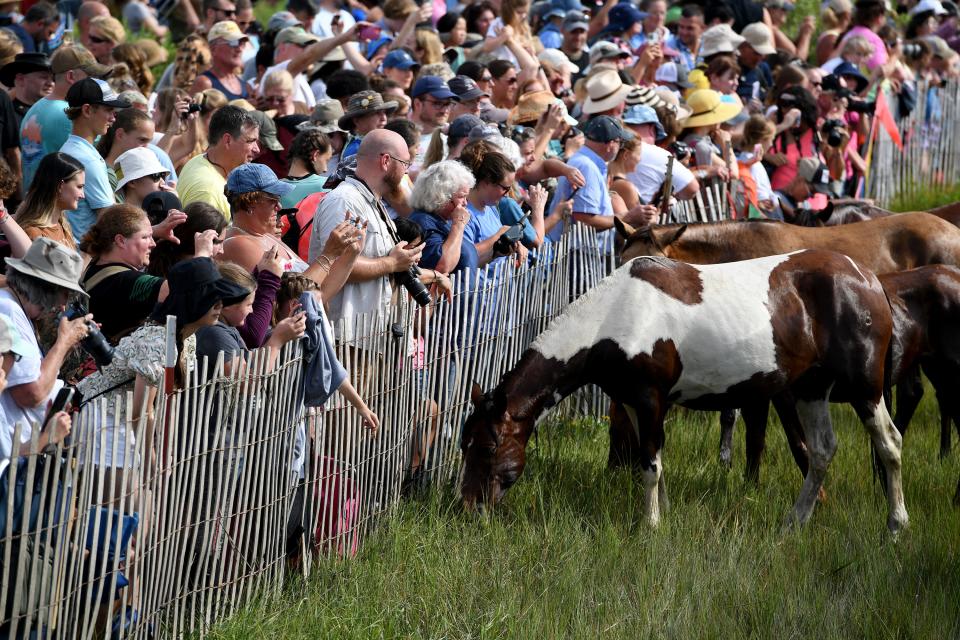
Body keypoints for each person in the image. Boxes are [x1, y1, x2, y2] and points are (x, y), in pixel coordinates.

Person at [307, 129, 424, 340]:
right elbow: (335, 265)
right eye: (405, 163)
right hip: (349, 339)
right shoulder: (345, 200)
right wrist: (392, 263)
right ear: (386, 160)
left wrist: (404, 260)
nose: (407, 171)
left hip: (372, 338)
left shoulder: (371, 201)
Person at [220, 163, 362, 305]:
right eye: (272, 200)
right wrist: (328, 255)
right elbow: (291, 304)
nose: (279, 206)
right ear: (249, 203)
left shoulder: (267, 237)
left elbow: (319, 296)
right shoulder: (238, 244)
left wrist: (351, 254)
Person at [0, 238, 91, 456]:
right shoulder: (9, 311)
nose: (62, 305)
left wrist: (67, 345)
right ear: (45, 288)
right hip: (16, 459)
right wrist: (63, 342)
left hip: (24, 452)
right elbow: (31, 393)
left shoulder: (16, 310)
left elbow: (35, 376)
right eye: (64, 293)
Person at [80, 204, 217, 342]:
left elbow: (123, 233)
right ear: (120, 240)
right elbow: (183, 291)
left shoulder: (98, 261)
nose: (153, 243)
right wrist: (202, 255)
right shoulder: (126, 281)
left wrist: (154, 230)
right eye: (146, 237)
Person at [548, 116, 660, 239]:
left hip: (579, 252)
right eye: (620, 142)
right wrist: (628, 216)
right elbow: (585, 221)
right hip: (576, 253)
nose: (619, 147)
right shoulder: (587, 167)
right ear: (610, 144)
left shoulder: (586, 162)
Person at [19, 46, 110, 191]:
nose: (95, 82)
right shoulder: (67, 114)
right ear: (71, 76)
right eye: (90, 76)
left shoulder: (35, 108)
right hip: (53, 205)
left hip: (34, 203)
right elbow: (96, 158)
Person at [60, 78, 132, 243]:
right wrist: (154, 230)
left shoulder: (71, 149)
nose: (113, 118)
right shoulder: (87, 159)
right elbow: (110, 220)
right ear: (87, 110)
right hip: (86, 260)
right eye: (108, 110)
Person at [178, 105, 260, 219]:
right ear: (227, 140)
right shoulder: (208, 191)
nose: (257, 149)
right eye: (250, 141)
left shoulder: (200, 159)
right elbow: (204, 236)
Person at [408, 160, 478, 274]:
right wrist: (458, 225)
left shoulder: (443, 219)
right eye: (462, 196)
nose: (466, 203)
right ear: (441, 195)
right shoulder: (423, 222)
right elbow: (442, 266)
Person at [14, 151, 84, 249]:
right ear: (60, 186)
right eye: (79, 187)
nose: (83, 195)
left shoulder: (63, 225)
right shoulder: (34, 234)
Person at [192, 21, 250, 100]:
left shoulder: (245, 86)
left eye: (241, 43)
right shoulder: (205, 83)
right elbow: (192, 112)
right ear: (213, 49)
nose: (239, 49)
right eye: (233, 42)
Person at [410, 75, 459, 166]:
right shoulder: (398, 136)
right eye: (438, 103)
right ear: (417, 104)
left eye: (448, 103)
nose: (445, 110)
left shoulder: (450, 139)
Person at [281, 129, 333, 208]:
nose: (326, 169)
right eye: (326, 160)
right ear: (315, 155)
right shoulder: (327, 186)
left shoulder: (272, 190)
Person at [340, 90, 398, 159]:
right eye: (376, 113)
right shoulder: (355, 151)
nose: (384, 118)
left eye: (384, 113)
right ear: (357, 121)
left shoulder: (381, 143)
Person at [0, 52, 52, 126]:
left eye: (53, 79)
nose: (50, 83)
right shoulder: (7, 116)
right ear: (20, 79)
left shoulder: (54, 114)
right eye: (44, 77)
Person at [667, 5, 704, 73]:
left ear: (702, 29)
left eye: (690, 28)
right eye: (681, 27)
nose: (684, 32)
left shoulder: (708, 49)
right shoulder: (669, 47)